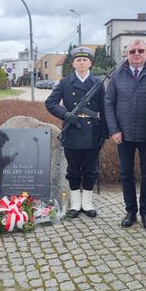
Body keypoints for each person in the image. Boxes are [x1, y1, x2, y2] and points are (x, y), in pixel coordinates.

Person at [105, 39, 146, 230]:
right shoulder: (117, 74)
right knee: (126, 174)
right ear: (127, 54)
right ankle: (130, 211)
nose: (137, 54)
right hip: (123, 135)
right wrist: (114, 130)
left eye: (140, 50)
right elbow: (108, 103)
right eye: (133, 51)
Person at [45, 47, 108, 217]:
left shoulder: (98, 83)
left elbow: (105, 108)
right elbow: (50, 103)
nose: (81, 63)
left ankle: (87, 204)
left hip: (92, 132)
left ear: (90, 63)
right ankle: (75, 204)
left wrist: (105, 132)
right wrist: (65, 114)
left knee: (90, 169)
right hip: (72, 131)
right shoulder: (65, 82)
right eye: (78, 60)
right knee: (73, 170)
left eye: (85, 60)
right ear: (73, 63)